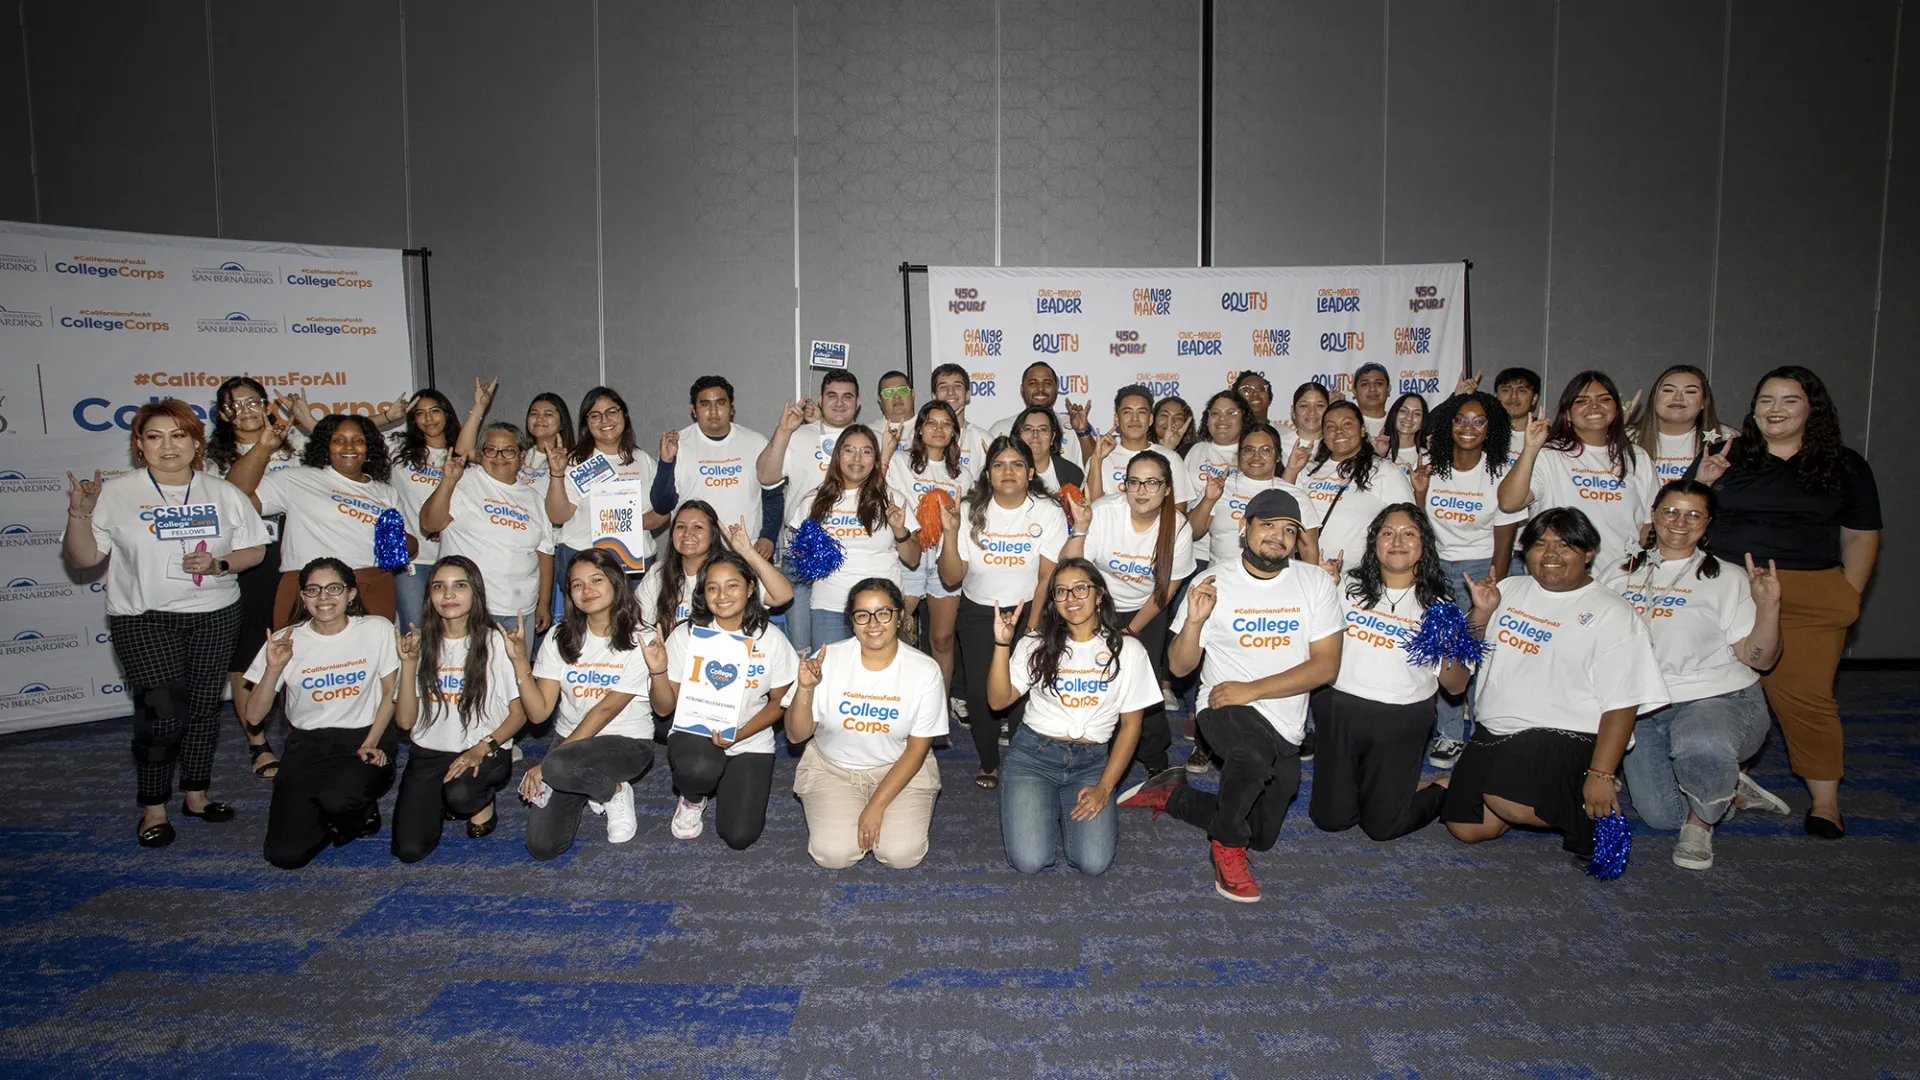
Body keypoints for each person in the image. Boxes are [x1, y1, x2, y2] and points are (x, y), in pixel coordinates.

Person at [1117, 489, 1342, 904]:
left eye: (1289, 530)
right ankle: (1225, 846)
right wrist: (1194, 624)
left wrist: (1251, 690)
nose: (1278, 536)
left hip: (1280, 715)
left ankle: (1174, 796)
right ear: (1244, 527)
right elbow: (1180, 668)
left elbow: (1326, 666)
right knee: (1251, 760)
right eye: (1268, 525)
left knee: (1262, 835)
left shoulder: (1315, 583)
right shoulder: (1213, 580)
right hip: (1220, 706)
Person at [63, 401, 268, 846]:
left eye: (179, 435)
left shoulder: (222, 491)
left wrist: (220, 563)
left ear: (196, 443)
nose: (168, 445)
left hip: (215, 614)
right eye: (155, 437)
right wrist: (80, 512)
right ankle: (153, 807)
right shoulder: (116, 494)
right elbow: (84, 559)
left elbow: (255, 549)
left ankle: (196, 794)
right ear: (139, 446)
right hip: (143, 618)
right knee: (160, 715)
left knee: (201, 711)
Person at [1700, 366, 1880, 838]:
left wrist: (1848, 594)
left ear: (1811, 409)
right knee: (1705, 690)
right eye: (1765, 400)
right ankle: (1713, 779)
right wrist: (1703, 477)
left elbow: (1861, 538)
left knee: (1809, 700)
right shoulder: (1726, 454)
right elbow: (1684, 511)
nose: (1774, 410)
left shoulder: (1846, 465)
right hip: (1729, 588)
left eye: (1789, 401)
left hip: (1808, 592)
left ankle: (1826, 804)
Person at [1441, 508, 1670, 861]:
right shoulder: (1506, 591)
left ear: (1589, 552)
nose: (1550, 555)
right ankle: (1464, 787)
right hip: (1493, 733)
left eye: (1565, 545)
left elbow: (1623, 703)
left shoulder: (1613, 613)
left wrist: (1601, 774)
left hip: (1565, 736)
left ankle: (1582, 802)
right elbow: (1454, 683)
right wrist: (1481, 615)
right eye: (1540, 544)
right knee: (1468, 829)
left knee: (1512, 803)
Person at [1605, 481, 1784, 869]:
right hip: (1645, 705)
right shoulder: (1620, 571)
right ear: (1653, 515)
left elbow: (1761, 659)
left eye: (1693, 514)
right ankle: (1726, 785)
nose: (1680, 522)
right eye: (1670, 511)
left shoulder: (1727, 577)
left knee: (1700, 741)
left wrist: (1768, 607)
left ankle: (1701, 825)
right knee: (1661, 815)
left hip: (1718, 698)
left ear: (1707, 524)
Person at [1311, 505, 1489, 840]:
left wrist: (1475, 617)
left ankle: (1440, 788)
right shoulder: (1343, 584)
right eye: (1387, 533)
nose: (1397, 541)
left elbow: (1455, 685)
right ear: (1373, 542)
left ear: (1424, 545)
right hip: (1340, 709)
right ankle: (1374, 781)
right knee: (1332, 819)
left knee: (1381, 827)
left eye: (1409, 534)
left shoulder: (1439, 605)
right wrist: (1317, 585)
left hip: (1402, 718)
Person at [989, 560, 1156, 875]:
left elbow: (1132, 727)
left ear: (1099, 596)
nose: (1071, 598)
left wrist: (1105, 787)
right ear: (1053, 602)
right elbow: (998, 701)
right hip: (1033, 757)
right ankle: (1037, 804)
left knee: (1094, 864)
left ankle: (1049, 808)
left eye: (1081, 588)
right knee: (1029, 862)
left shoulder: (1129, 650)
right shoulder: (1036, 643)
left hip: (1091, 763)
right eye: (1061, 592)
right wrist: (1002, 643)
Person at [242, 559, 401, 869]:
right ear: (303, 597)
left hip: (366, 734)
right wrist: (273, 669)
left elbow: (389, 697)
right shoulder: (286, 639)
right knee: (284, 855)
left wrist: (371, 743)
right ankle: (330, 813)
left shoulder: (376, 628)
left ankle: (358, 807)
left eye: (333, 589)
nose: (323, 598)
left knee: (339, 797)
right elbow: (253, 714)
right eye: (313, 590)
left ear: (351, 594)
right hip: (308, 743)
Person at [785, 578, 948, 869]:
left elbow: (917, 748)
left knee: (901, 855)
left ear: (899, 615)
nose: (873, 623)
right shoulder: (828, 660)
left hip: (898, 769)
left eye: (883, 612)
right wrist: (805, 688)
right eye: (862, 615)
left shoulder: (924, 670)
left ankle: (878, 809)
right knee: (834, 856)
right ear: (852, 620)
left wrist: (876, 806)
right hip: (833, 769)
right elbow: (796, 736)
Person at [938, 437, 1070, 787]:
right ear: (987, 473)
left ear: (1030, 473)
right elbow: (951, 577)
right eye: (999, 465)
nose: (1007, 472)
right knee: (983, 695)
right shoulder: (968, 510)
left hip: (1031, 611)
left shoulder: (1048, 512)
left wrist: (1034, 627)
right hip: (980, 612)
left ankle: (1025, 762)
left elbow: (1047, 577)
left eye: (1015, 465)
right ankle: (989, 762)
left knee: (1025, 692)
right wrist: (950, 535)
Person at [515, 549, 660, 858]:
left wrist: (548, 765)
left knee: (558, 765)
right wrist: (519, 665)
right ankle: (594, 783)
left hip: (626, 741)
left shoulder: (641, 638)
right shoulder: (559, 637)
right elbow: (539, 713)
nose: (587, 590)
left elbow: (606, 709)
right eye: (577, 584)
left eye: (596, 579)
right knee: (542, 846)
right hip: (571, 743)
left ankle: (616, 791)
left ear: (617, 583)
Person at [650, 552, 799, 848]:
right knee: (698, 770)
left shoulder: (770, 637)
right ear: (703, 594)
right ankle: (693, 798)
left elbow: (780, 703)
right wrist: (658, 670)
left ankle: (722, 777)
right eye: (713, 587)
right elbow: (664, 708)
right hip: (696, 735)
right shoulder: (687, 635)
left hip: (749, 736)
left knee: (739, 836)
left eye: (732, 586)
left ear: (750, 589)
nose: (722, 595)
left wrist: (739, 734)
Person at [1063, 450, 1194, 780]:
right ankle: (1095, 748)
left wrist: (1132, 630)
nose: (1142, 490)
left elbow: (1165, 590)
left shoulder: (1177, 527)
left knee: (1142, 682)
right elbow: (1074, 569)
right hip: (1097, 604)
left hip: (1145, 610)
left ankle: (1154, 753)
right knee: (1095, 677)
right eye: (1134, 481)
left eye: (1152, 482)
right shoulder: (1105, 512)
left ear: (1167, 489)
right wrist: (1080, 529)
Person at [1414, 391, 1523, 768]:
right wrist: (1420, 493)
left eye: (1479, 421)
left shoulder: (1501, 471)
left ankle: (1483, 731)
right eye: (1461, 419)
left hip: (1481, 569)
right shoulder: (1431, 464)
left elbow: (1505, 538)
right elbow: (1421, 525)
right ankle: (1448, 734)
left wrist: (1496, 584)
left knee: (1479, 652)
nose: (1468, 427)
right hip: (1438, 569)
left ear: (1491, 428)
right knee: (1443, 652)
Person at [391, 556, 526, 861]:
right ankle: (441, 798)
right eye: (439, 586)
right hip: (429, 754)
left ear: (476, 592)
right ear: (429, 596)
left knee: (462, 795)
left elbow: (519, 714)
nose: (448, 595)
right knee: (410, 850)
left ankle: (481, 803)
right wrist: (408, 664)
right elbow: (404, 722)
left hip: (484, 748)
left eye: (459, 585)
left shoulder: (496, 642)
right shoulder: (418, 643)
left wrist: (482, 747)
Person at [206, 376, 303, 779]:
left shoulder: (294, 447)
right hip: (251, 560)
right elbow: (232, 497)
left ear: (266, 404)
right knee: (250, 651)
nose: (246, 410)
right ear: (224, 415)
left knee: (301, 644)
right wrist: (263, 448)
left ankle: (306, 732)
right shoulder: (214, 459)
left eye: (253, 402)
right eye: (235, 405)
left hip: (298, 553)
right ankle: (258, 742)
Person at [229, 412, 410, 624]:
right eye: (339, 440)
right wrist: (263, 448)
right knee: (299, 655)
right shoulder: (296, 479)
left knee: (369, 656)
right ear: (326, 446)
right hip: (309, 589)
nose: (349, 447)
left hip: (372, 585)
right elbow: (234, 495)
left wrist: (402, 545)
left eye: (358, 441)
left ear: (369, 447)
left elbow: (405, 543)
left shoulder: (386, 492)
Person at [1499, 370, 1657, 569]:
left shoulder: (1638, 457)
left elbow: (1648, 524)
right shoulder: (1549, 455)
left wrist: (1633, 570)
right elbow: (1509, 503)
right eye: (1582, 401)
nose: (1594, 406)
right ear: (1568, 413)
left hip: (1620, 580)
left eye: (1604, 399)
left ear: (1616, 408)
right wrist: (1530, 449)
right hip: (1557, 578)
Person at [786, 424, 921, 647]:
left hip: (880, 608)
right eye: (849, 450)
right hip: (830, 608)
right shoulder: (814, 500)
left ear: (876, 459)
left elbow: (913, 559)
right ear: (837, 456)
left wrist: (900, 531)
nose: (857, 458)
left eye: (866, 451)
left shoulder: (892, 498)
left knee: (881, 679)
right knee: (831, 678)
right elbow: (799, 559)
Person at [758, 370, 863, 653]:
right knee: (803, 646)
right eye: (832, 396)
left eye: (847, 397)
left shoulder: (868, 440)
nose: (839, 403)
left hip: (853, 552)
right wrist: (783, 430)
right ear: (820, 399)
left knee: (851, 647)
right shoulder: (798, 435)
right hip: (802, 553)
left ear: (858, 403)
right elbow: (766, 477)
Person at [423, 421, 555, 634]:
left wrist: (544, 603)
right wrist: (447, 482)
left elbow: (545, 553)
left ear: (522, 455)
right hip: (469, 609)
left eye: (508, 451)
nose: (499, 457)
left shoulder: (535, 498)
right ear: (481, 454)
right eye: (491, 450)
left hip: (520, 610)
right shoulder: (462, 481)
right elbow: (430, 524)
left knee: (516, 668)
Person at [887, 400, 974, 690]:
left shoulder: (963, 476)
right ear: (920, 428)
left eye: (947, 424)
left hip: (944, 559)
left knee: (942, 639)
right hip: (908, 553)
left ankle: (939, 707)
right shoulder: (900, 462)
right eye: (932, 423)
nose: (939, 429)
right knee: (894, 632)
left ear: (954, 433)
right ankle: (894, 697)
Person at [546, 386, 664, 585]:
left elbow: (663, 513)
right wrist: (557, 473)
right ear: (586, 423)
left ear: (623, 415)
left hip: (634, 563)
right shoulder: (576, 462)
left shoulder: (643, 460)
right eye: (595, 415)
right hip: (584, 563)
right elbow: (557, 516)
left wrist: (628, 523)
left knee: (634, 617)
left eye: (611, 412)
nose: (605, 420)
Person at [655, 375, 776, 557]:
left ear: (732, 406)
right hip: (695, 552)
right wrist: (666, 463)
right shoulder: (677, 444)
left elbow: (772, 496)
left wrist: (768, 536)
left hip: (746, 550)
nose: (713, 411)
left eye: (720, 403)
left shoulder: (756, 442)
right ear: (693, 409)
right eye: (705, 404)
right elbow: (662, 505)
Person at [1288, 401, 1414, 573]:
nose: (1339, 431)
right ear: (1323, 434)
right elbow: (1282, 511)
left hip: (1360, 579)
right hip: (1308, 573)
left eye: (1347, 424)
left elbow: (1412, 527)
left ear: (1362, 430)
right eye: (1330, 427)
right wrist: (1291, 470)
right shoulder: (1309, 468)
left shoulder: (1385, 471)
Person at [636, 500, 792, 635]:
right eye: (680, 527)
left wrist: (748, 552)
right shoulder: (659, 573)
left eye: (698, 527)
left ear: (713, 534)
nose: (687, 534)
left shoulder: (729, 570)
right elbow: (639, 624)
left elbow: (783, 595)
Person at [388, 388, 458, 632]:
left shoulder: (461, 456)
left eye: (435, 411)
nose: (429, 419)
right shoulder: (397, 449)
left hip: (453, 558)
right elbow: (351, 430)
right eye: (420, 413)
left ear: (447, 414)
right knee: (414, 631)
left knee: (452, 633)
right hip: (413, 560)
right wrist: (387, 417)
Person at [1085, 385, 1197, 505]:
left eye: (1141, 412)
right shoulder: (1099, 458)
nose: (1134, 418)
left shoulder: (1171, 458)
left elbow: (1178, 513)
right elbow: (1093, 509)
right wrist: (1097, 460)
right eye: (1127, 412)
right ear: (1117, 419)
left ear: (1150, 419)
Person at [1630, 364, 1736, 484]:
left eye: (1690, 392)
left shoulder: (1727, 438)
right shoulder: (1626, 438)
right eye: (1668, 390)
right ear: (1654, 398)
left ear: (1704, 402)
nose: (1678, 398)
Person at [1182, 390, 1250, 569]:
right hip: (1191, 551)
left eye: (1231, 413)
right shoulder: (1190, 450)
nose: (1222, 419)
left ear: (1244, 418)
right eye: (1215, 413)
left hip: (1234, 555)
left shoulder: (1253, 454)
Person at [986, 361, 1092, 468]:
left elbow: (1095, 468)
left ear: (1056, 389)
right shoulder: (1002, 428)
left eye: (1047, 383)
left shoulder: (1073, 426)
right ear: (1022, 389)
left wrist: (1082, 431)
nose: (1040, 389)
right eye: (1033, 383)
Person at [929, 362, 995, 474]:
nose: (951, 392)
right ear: (934, 396)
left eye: (957, 386)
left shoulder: (983, 439)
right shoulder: (923, 435)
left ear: (968, 395)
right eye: (943, 387)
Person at [1011, 405, 1085, 494]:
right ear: (1018, 436)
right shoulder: (1006, 472)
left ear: (1052, 438)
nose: (1035, 435)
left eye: (1042, 429)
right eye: (1028, 429)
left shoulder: (1072, 473)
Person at [1377, 392, 1427, 476]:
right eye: (1403, 411)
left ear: (1422, 423)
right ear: (1394, 414)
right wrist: (1377, 456)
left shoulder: (1428, 458)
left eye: (1417, 414)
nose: (1409, 417)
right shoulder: (1378, 452)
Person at [1493, 366, 1542, 451]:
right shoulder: (1484, 433)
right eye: (1506, 390)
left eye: (1521, 391)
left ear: (1534, 398)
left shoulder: (1546, 437)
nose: (1513, 396)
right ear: (1496, 395)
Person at [1278, 382, 1329, 459]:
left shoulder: (1337, 445)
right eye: (1304, 406)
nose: (1312, 412)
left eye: (1319, 405)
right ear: (1293, 411)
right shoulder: (1279, 446)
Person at [876, 369, 918, 451]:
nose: (896, 396)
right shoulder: (869, 433)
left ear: (912, 394)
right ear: (880, 400)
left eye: (902, 390)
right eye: (888, 392)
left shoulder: (928, 427)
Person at [1352, 363, 1392, 437]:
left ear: (1388, 389)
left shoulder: (1399, 422)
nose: (1372, 389)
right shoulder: (1348, 423)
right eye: (1365, 384)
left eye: (1379, 383)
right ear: (1355, 392)